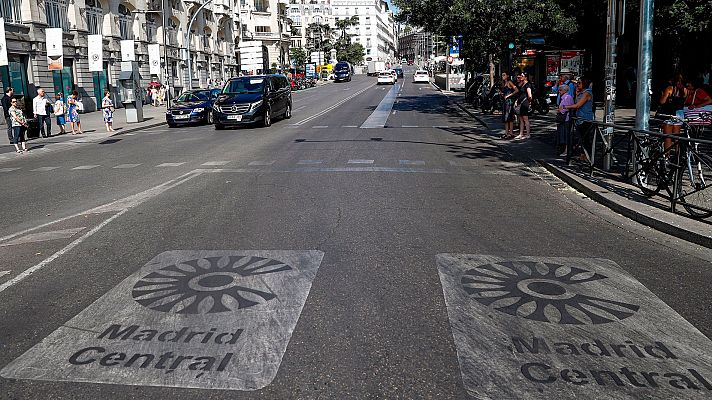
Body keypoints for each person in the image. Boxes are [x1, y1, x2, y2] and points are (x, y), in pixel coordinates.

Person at [563, 77, 594, 160]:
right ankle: (583, 155)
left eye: (579, 83)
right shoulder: (581, 92)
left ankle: (587, 157)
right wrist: (577, 92)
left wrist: (565, 107)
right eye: (577, 83)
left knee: (585, 139)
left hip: (585, 118)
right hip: (579, 118)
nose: (577, 84)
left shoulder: (587, 93)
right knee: (582, 138)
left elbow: (578, 105)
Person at [657, 74, 687, 151]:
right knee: (677, 137)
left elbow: (662, 101)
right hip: (680, 114)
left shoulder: (670, 88)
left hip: (670, 113)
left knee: (668, 138)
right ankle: (677, 156)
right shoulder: (685, 90)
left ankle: (667, 156)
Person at [556, 84, 575, 157]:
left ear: (565, 90)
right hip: (564, 119)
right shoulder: (565, 97)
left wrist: (559, 110)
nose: (559, 91)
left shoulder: (567, 97)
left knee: (566, 135)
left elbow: (564, 109)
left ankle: (567, 151)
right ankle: (565, 150)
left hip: (566, 119)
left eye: (560, 90)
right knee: (564, 134)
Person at [513, 72, 533, 141]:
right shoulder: (522, 84)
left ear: (526, 77)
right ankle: (521, 133)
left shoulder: (527, 85)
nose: (521, 77)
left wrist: (529, 103)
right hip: (521, 103)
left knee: (525, 119)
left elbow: (529, 95)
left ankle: (528, 134)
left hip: (524, 103)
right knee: (521, 119)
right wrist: (517, 101)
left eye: (522, 76)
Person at [500, 72, 519, 139]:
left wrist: (508, 95)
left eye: (504, 75)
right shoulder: (504, 83)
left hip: (509, 102)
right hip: (505, 102)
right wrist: (502, 94)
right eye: (502, 75)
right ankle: (506, 133)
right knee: (506, 117)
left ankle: (510, 133)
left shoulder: (509, 82)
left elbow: (516, 90)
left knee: (509, 117)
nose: (503, 76)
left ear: (507, 76)